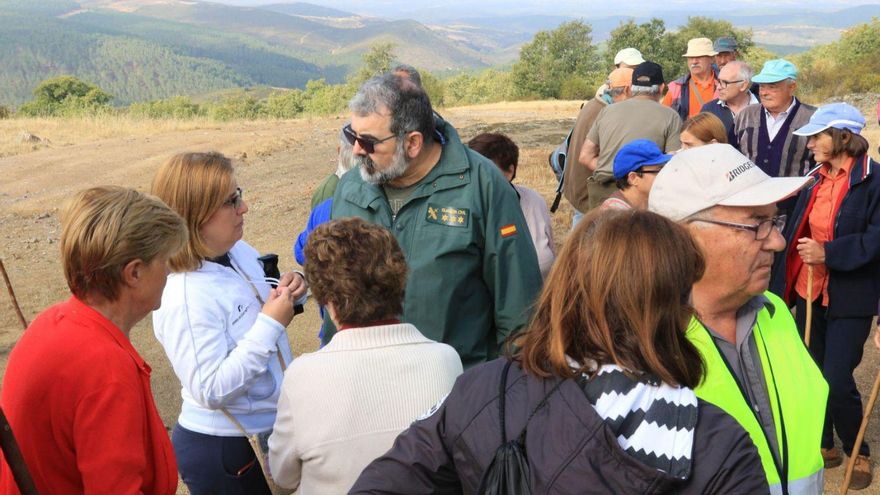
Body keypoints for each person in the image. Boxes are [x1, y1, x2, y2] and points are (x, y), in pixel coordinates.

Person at [350, 209, 769, 494]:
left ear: (563, 288)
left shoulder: (481, 391)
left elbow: (382, 483)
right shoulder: (717, 445)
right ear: (676, 311)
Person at [329, 74, 542, 368]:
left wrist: (509, 386)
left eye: (367, 141)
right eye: (351, 136)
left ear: (413, 143)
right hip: (367, 384)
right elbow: (335, 291)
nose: (356, 150)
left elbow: (518, 307)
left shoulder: (483, 186)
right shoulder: (352, 186)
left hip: (456, 392)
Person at [649, 143, 828, 493]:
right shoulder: (646, 346)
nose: (778, 241)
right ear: (686, 237)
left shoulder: (775, 314)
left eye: (775, 220)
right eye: (756, 224)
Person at [0, 186, 187, 495]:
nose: (169, 271)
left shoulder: (53, 321)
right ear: (134, 273)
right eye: (165, 259)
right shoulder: (105, 369)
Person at [151, 152, 308, 495]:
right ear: (197, 215)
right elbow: (209, 389)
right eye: (232, 201)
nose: (245, 207)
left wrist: (292, 288)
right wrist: (270, 323)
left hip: (265, 430)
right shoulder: (184, 295)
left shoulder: (237, 252)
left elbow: (259, 303)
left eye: (240, 194)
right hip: (225, 450)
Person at [268, 218, 462, 493]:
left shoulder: (301, 376)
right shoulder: (446, 360)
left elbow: (283, 475)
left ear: (326, 300)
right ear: (399, 279)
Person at [769, 103, 879, 489]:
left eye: (818, 136)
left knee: (834, 377)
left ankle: (857, 448)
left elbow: (875, 240)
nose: (811, 143)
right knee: (809, 373)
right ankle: (824, 444)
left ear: (843, 137)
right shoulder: (814, 177)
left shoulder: (874, 181)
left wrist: (829, 254)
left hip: (851, 298)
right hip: (809, 291)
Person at [580, 61, 681, 209]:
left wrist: (617, 170)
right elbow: (672, 165)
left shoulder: (607, 111)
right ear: (661, 87)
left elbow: (585, 157)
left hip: (603, 194)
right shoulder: (670, 116)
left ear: (632, 88)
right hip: (642, 196)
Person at [468, 132, 555, 279]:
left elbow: (550, 255)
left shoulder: (534, 201)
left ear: (510, 171)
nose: (477, 178)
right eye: (472, 170)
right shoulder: (463, 210)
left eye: (486, 171)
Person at [564, 67, 632, 226]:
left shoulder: (594, 104)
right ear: (628, 90)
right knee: (587, 237)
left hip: (579, 186)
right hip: (589, 190)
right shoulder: (606, 113)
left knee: (581, 231)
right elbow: (589, 157)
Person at [734, 59, 816, 179]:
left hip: (795, 197)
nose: (764, 93)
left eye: (772, 87)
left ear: (792, 87)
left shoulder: (812, 118)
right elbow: (732, 154)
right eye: (762, 87)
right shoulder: (745, 115)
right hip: (750, 195)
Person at [600, 139, 671, 210]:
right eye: (657, 171)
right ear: (633, 178)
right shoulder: (616, 214)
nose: (663, 175)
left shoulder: (649, 205)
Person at [701, 61, 758, 146]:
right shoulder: (709, 110)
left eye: (725, 83)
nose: (719, 87)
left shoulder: (766, 108)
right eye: (719, 81)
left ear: (743, 85)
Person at [663, 38, 720, 120]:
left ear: (711, 59)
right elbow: (663, 119)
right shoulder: (676, 88)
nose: (694, 61)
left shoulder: (725, 85)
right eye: (690, 57)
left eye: (699, 57)